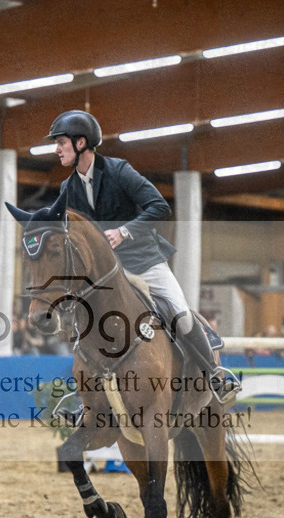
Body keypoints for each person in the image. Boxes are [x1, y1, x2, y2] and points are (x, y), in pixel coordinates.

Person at [43, 110, 240, 403]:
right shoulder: (67, 188)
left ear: (81, 142)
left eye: (61, 142)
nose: (56, 149)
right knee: (84, 321)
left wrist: (124, 231)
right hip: (104, 273)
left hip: (143, 261)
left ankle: (214, 375)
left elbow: (159, 206)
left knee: (180, 314)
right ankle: (86, 398)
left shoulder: (119, 171)